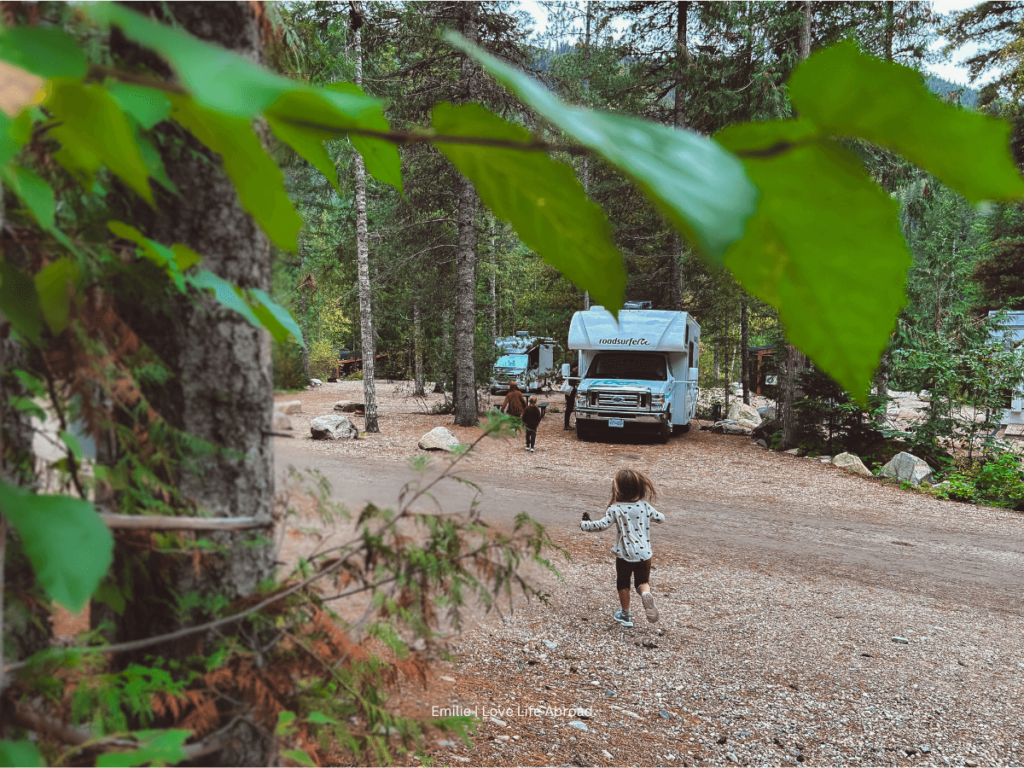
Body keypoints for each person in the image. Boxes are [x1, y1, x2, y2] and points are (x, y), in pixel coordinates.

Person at [580, 468, 664, 627]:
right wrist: (651, 517)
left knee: (623, 583)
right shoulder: (645, 506)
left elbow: (601, 525)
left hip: (625, 555)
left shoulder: (616, 509)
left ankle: (626, 615)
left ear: (618, 490)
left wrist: (584, 525)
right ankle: (646, 593)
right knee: (642, 582)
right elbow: (661, 518)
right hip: (644, 554)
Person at [560, 365, 579, 430]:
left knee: (570, 408)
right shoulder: (571, 374)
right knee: (569, 408)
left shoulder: (573, 374)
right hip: (569, 393)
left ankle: (567, 424)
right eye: (575, 368)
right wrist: (576, 383)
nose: (576, 369)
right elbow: (571, 382)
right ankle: (566, 425)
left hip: (570, 393)